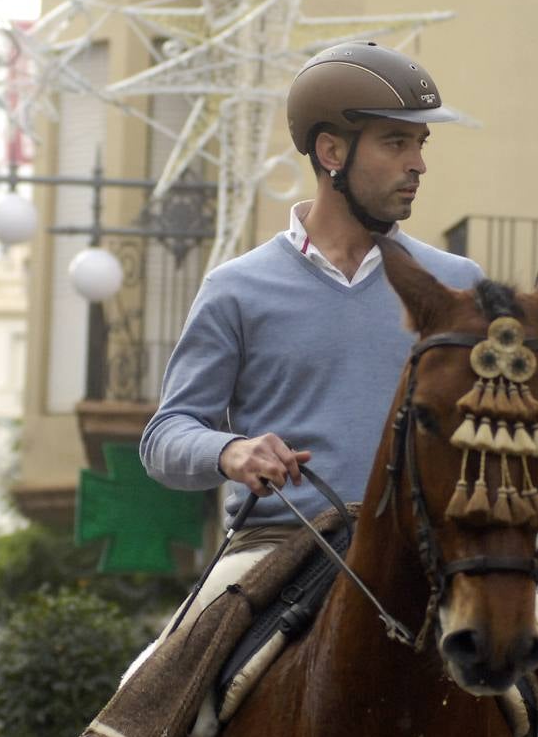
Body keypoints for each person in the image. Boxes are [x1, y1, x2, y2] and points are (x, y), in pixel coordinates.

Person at [140, 41, 483, 616]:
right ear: (331, 151)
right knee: (155, 693)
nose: (418, 164)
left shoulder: (458, 285)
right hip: (273, 551)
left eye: (420, 144)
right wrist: (232, 452)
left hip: (429, 556)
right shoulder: (236, 287)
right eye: (396, 142)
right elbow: (164, 437)